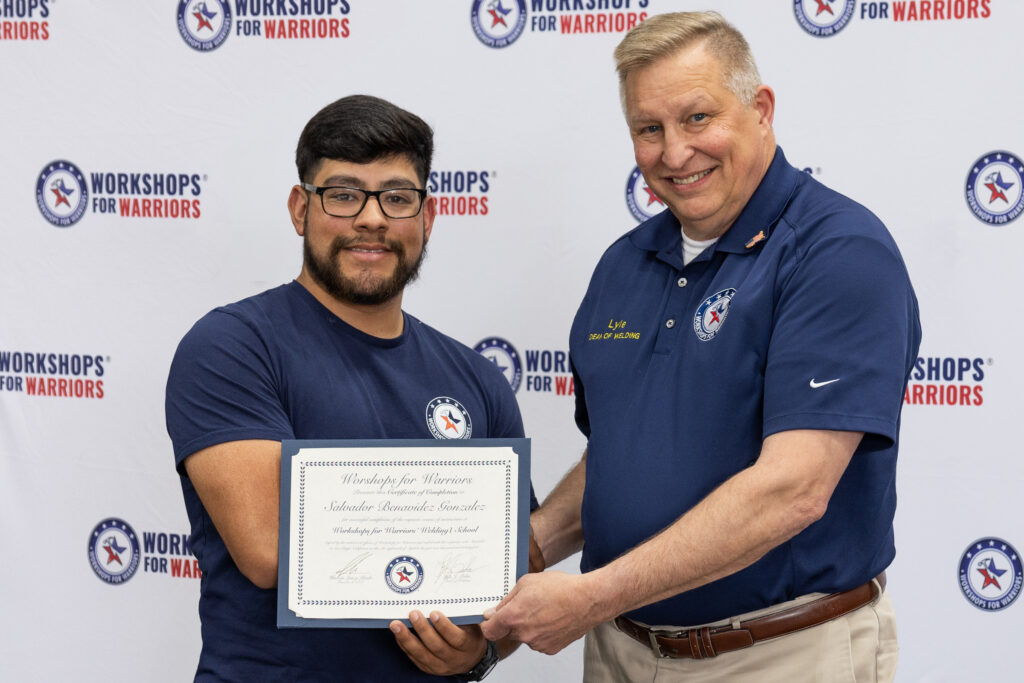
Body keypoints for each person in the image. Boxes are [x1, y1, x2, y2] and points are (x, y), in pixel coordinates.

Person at [482, 11, 921, 682]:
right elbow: (619, 456)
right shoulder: (623, 265)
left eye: (697, 118)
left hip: (776, 654)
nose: (675, 152)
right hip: (620, 650)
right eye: (648, 129)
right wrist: (529, 550)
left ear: (761, 108)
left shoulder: (837, 252)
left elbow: (793, 489)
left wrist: (590, 595)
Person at [165, 95, 532, 682]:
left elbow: (511, 578)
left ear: (427, 217)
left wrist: (479, 652)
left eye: (396, 196)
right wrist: (444, 525)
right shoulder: (233, 346)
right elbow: (267, 550)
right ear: (299, 209)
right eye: (343, 194)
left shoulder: (477, 379)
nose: (371, 218)